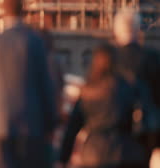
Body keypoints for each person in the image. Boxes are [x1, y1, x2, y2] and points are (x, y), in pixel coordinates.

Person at [0, 0, 57, 168]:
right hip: (32, 124)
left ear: (3, 13)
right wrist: (50, 125)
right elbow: (46, 85)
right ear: (23, 10)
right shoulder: (36, 42)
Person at [59, 44, 149, 168]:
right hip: (124, 150)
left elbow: (73, 127)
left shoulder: (88, 91)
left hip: (94, 151)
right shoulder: (129, 87)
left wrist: (63, 157)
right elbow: (143, 119)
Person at [113, 9, 160, 153]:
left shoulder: (110, 59)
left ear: (116, 30)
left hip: (115, 133)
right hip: (145, 133)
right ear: (138, 29)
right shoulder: (153, 58)